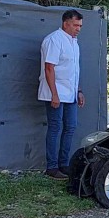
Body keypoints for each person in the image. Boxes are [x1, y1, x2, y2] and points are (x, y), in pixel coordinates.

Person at [38, 9, 85, 180]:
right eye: (75, 25)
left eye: (80, 25)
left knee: (70, 127)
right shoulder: (54, 40)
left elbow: (74, 70)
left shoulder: (74, 42)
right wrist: (54, 94)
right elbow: (49, 68)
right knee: (55, 127)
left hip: (70, 92)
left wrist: (78, 91)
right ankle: (52, 167)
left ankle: (64, 164)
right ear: (66, 23)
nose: (78, 28)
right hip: (55, 91)